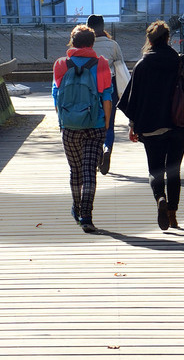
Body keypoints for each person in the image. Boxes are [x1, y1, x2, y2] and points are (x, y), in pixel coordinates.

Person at [118, 20, 184, 231]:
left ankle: (160, 198)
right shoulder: (180, 62)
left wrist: (133, 125)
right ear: (168, 39)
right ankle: (173, 214)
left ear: (149, 40)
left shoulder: (142, 65)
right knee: (174, 169)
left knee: (156, 170)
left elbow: (133, 100)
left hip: (151, 126)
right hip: (179, 124)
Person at [52, 24, 114, 234]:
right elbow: (107, 96)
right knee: (89, 172)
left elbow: (56, 96)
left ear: (72, 42)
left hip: (69, 126)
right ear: (92, 43)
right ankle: (86, 216)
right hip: (94, 124)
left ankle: (76, 208)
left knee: (75, 171)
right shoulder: (102, 63)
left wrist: (62, 121)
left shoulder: (60, 64)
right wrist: (105, 124)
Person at [87, 15, 131, 175]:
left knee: (93, 124)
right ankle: (107, 148)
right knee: (109, 124)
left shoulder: (85, 45)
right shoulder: (113, 45)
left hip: (89, 89)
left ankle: (98, 153)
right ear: (103, 26)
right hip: (109, 88)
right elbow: (121, 68)